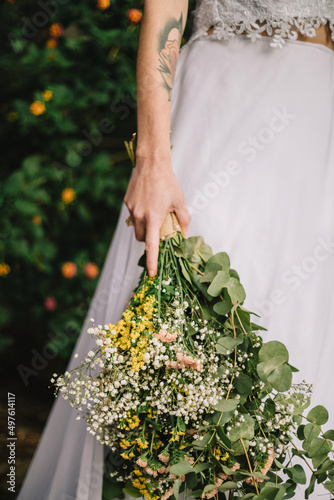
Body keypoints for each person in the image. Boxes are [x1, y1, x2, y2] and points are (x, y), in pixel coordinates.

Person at [18, 1, 334, 499]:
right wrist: (152, 160)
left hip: (316, 122)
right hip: (219, 95)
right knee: (184, 324)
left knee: (300, 335)